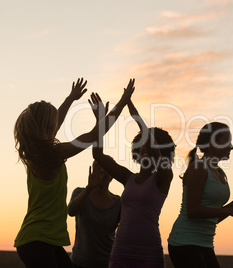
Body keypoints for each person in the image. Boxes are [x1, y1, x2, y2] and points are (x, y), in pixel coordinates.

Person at [14, 78, 135, 268]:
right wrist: (120, 103)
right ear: (45, 127)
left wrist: (70, 98)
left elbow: (56, 122)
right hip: (38, 240)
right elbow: (94, 135)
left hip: (40, 239)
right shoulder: (53, 154)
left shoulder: (35, 154)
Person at [92, 94, 176, 268]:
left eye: (149, 143)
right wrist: (100, 121)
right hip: (121, 249)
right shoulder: (127, 177)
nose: (144, 147)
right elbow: (98, 154)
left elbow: (155, 150)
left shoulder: (164, 177)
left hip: (149, 252)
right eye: (141, 145)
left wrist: (135, 114)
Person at [168, 122, 233, 268]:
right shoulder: (198, 168)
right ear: (213, 143)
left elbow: (214, 218)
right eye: (227, 141)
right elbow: (192, 211)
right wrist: (231, 210)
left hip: (205, 244)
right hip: (184, 242)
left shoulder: (220, 173)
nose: (231, 147)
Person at [68, 160, 121, 268]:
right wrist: (89, 188)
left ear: (112, 176)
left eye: (106, 170)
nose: (102, 172)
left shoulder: (118, 203)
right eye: (99, 169)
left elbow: (125, 231)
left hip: (106, 263)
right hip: (79, 263)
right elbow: (71, 211)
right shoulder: (80, 192)